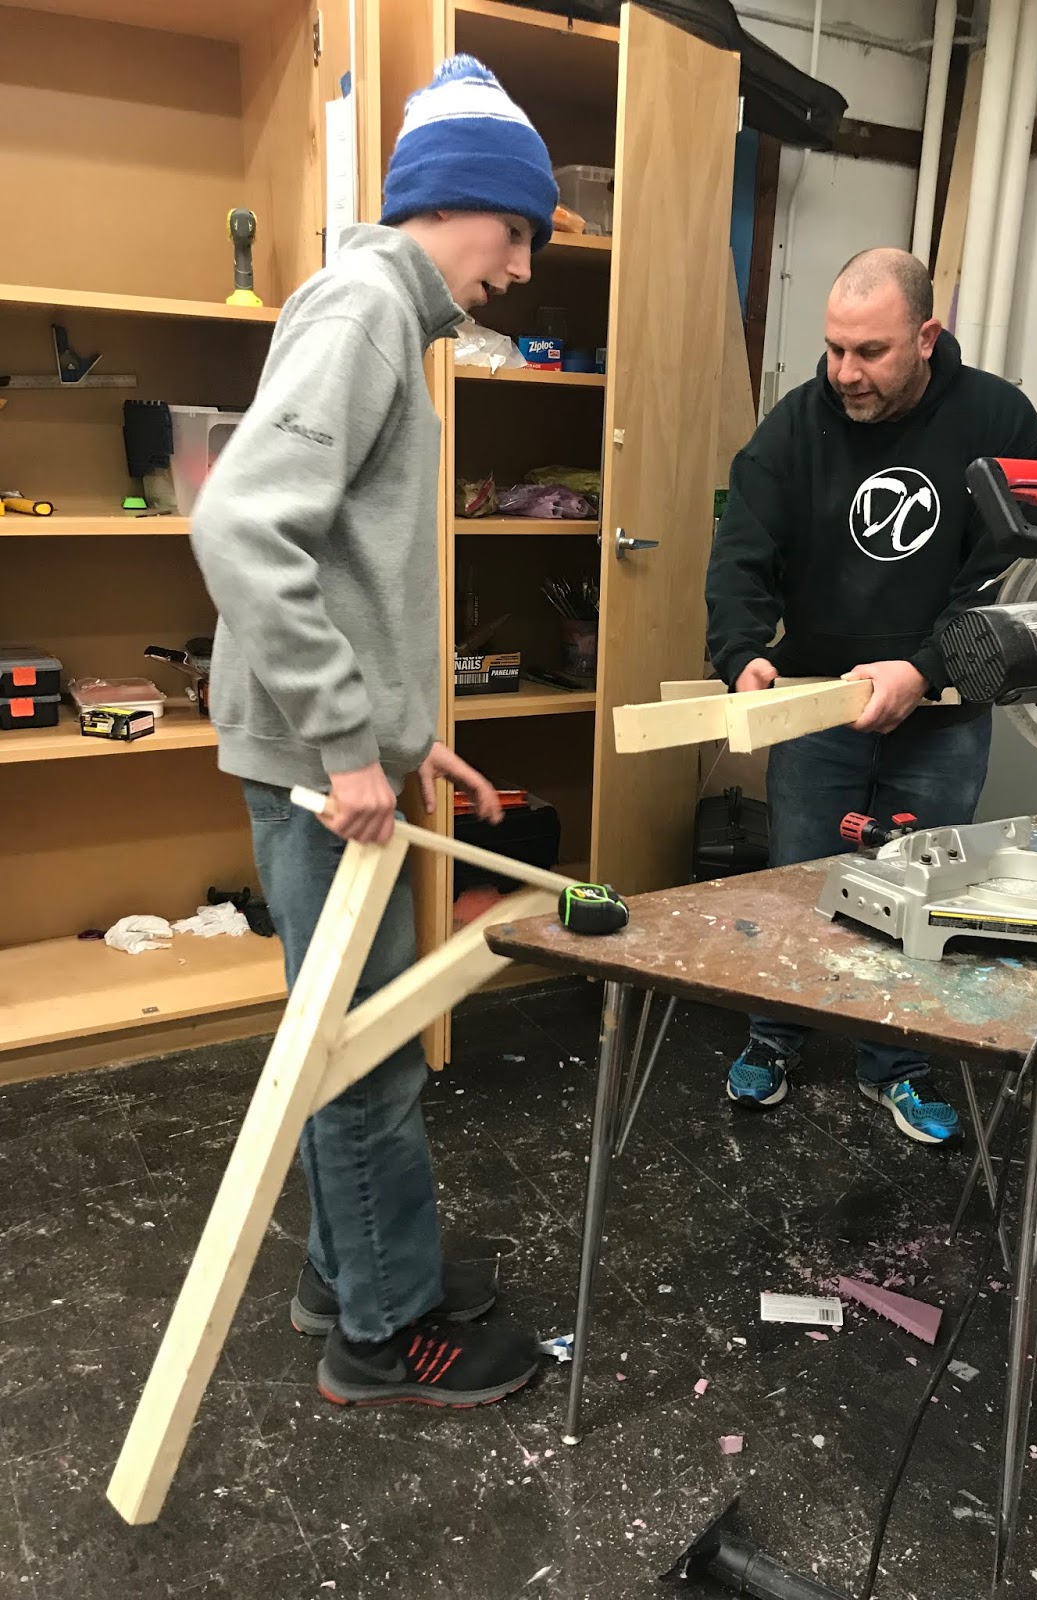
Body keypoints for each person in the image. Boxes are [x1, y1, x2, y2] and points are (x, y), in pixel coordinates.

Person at [190, 56, 558, 1407]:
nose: (519, 269)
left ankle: (348, 1272)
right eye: (513, 232)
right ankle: (386, 1334)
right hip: (312, 765)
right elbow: (241, 524)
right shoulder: (361, 308)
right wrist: (350, 745)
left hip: (332, 751)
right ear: (454, 201)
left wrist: (405, 736)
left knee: (340, 1030)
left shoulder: (386, 319)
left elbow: (341, 565)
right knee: (366, 1052)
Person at [705, 247, 1037, 1145]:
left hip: (942, 715)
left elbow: (1006, 577)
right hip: (818, 701)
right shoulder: (797, 423)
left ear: (927, 336)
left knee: (920, 896)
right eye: (834, 349)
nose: (845, 373)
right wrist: (742, 652)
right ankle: (774, 1036)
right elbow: (742, 545)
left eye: (871, 352)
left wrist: (926, 669)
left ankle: (894, 1061)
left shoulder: (1000, 419)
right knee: (803, 880)